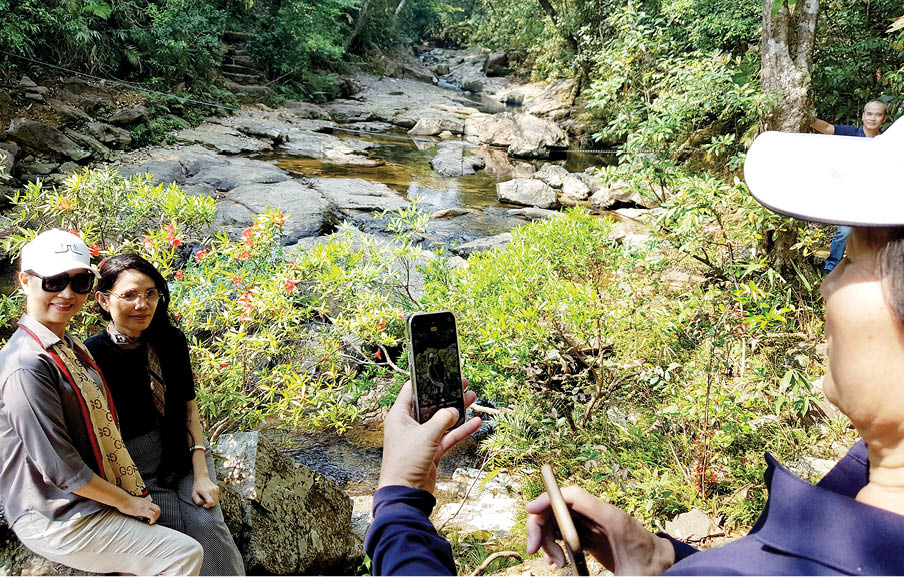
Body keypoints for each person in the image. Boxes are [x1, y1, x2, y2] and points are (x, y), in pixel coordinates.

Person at [365, 116, 904, 575]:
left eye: (851, 259)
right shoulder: (865, 500)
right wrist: (662, 557)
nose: (827, 282)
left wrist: (398, 502)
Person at [0, 229, 203, 575]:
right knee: (182, 555)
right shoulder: (27, 364)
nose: (66, 293)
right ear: (24, 282)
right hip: (58, 513)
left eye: (78, 282)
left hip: (86, 495)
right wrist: (130, 503)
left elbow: (184, 402)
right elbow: (61, 468)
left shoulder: (66, 345)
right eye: (53, 281)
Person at [85, 254, 245, 576]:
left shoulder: (170, 340)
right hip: (137, 465)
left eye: (150, 293)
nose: (141, 304)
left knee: (207, 522)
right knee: (176, 537)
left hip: (184, 450)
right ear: (104, 300)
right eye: (129, 295)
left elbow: (188, 406)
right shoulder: (92, 355)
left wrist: (201, 474)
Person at [811, 100, 887, 273]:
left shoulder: (886, 140)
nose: (873, 118)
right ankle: (830, 268)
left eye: (878, 114)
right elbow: (827, 129)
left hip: (875, 195)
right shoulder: (851, 133)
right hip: (849, 195)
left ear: (883, 119)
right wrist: (809, 118)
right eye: (869, 114)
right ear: (863, 116)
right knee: (844, 232)